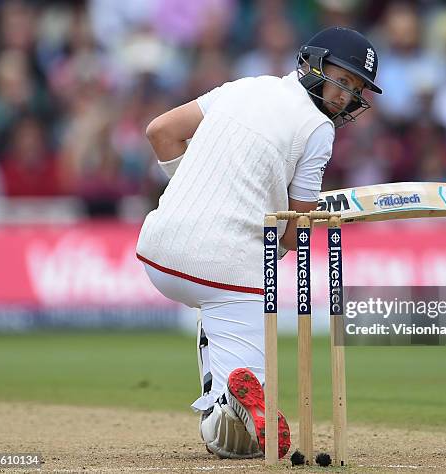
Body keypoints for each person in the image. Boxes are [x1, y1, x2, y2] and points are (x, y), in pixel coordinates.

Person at [136, 26, 382, 459]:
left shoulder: (243, 86)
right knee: (239, 442)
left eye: (356, 89)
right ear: (314, 62)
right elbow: (292, 233)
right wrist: (309, 220)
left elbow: (160, 132)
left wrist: (209, 194)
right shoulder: (318, 129)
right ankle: (223, 408)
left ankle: (227, 392)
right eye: (341, 80)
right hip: (227, 269)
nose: (345, 96)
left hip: (156, 249)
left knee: (211, 311)